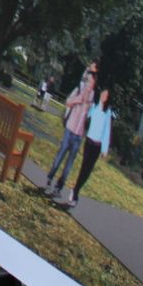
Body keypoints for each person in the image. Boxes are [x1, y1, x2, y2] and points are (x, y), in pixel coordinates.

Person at [46, 60, 96, 195]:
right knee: (59, 156)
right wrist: (78, 99)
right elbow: (68, 102)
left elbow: (91, 117)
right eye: (89, 75)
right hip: (70, 129)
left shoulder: (93, 97)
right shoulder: (79, 88)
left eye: (93, 77)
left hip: (79, 135)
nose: (90, 80)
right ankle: (49, 179)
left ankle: (59, 187)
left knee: (69, 164)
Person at [65, 87, 114, 208]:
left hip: (97, 146)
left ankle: (76, 189)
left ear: (107, 98)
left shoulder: (107, 112)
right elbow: (85, 116)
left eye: (105, 95)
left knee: (87, 171)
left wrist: (104, 149)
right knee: (84, 167)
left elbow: (107, 131)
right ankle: (75, 192)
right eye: (102, 93)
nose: (102, 95)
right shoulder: (94, 107)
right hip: (89, 142)